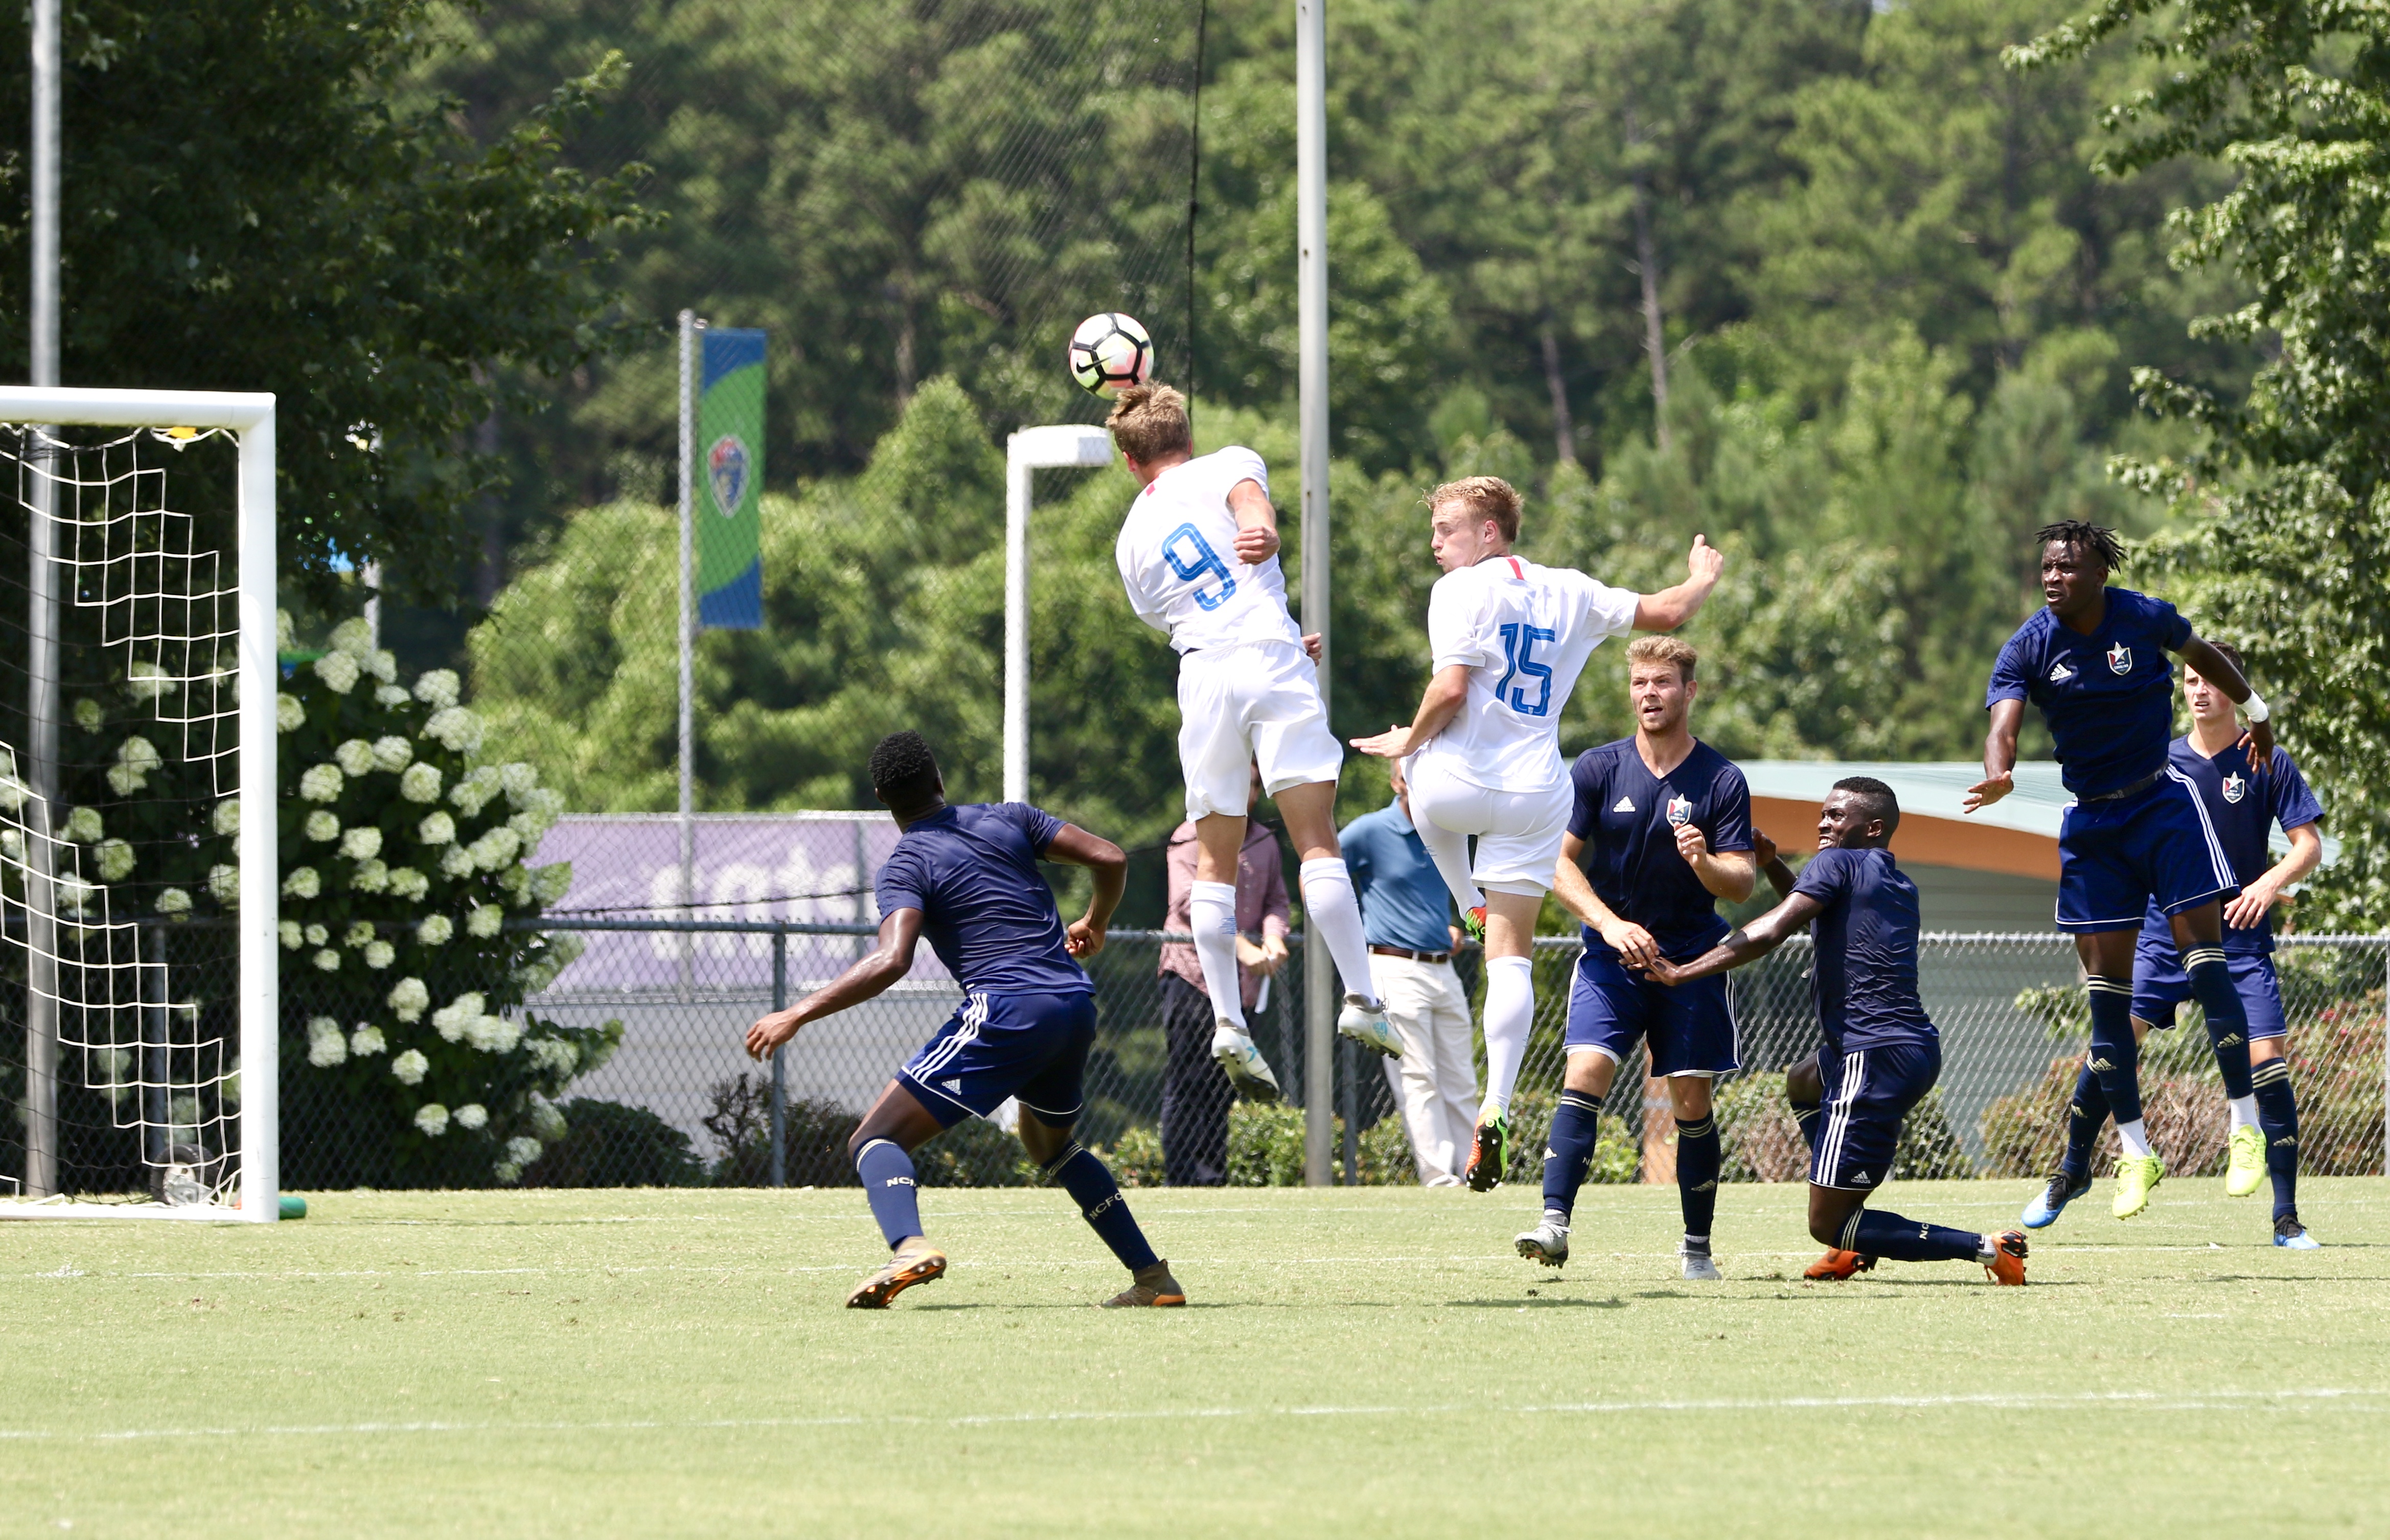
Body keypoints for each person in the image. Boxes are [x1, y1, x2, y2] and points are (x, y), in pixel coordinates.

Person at [1350, 475, 1722, 1192]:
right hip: (1536, 793)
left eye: (1448, 529)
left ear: (1490, 532)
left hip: (1460, 786)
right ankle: (1496, 1105)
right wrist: (1700, 577)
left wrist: (1407, 741)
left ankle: (1465, 894)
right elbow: (1669, 611)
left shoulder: (1458, 592)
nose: (1436, 543)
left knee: (1415, 761)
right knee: (1510, 957)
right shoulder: (1572, 589)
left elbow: (1451, 690)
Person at [743, 731, 1182, 1309]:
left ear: (881, 796)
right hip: (1074, 1003)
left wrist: (797, 1011)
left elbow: (891, 959)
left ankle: (907, 1246)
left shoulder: (906, 863)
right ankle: (1152, 1278)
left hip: (1007, 1008)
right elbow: (1110, 856)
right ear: (940, 780)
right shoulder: (1010, 819)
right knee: (1048, 1143)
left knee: (874, 1138)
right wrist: (1095, 921)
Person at [1588, 779, 2029, 1285]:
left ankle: (1990, 1249)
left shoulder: (1833, 865)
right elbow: (1815, 914)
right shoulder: (1892, 882)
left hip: (1871, 1056)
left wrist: (1681, 971)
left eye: (1837, 816)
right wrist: (1773, 864)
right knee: (1802, 1080)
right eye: (1822, 815)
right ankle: (1853, 1233)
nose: (1824, 823)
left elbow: (1773, 929)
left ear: (1873, 827)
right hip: (1906, 1050)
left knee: (1827, 1223)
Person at [1966, 521, 2276, 1222]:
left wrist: (2257, 712)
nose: (2054, 578)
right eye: (2046, 566)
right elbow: (2003, 725)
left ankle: (2244, 1125)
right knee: (2107, 1002)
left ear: (2098, 574)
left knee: (2206, 967)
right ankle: (2135, 1151)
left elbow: (2207, 655)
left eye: (2068, 568)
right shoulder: (2029, 644)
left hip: (2162, 807)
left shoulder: (2142, 616)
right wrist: (1999, 773)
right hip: (2093, 827)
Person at [1106, 382, 1400, 1100]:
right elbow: (1251, 509)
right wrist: (1263, 535)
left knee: (1214, 858)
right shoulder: (1228, 462)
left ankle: (1230, 1024)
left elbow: (1181, 616)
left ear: (1128, 461)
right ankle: (1363, 1001)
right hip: (1269, 658)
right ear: (1186, 435)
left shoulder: (1129, 542)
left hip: (1204, 675)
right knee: (1316, 841)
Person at [2024, 644, 2325, 1247]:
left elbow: (2306, 844)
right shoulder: (2155, 765)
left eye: (2211, 679)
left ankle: (2285, 1217)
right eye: (2189, 679)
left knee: (2267, 1060)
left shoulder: (2265, 758)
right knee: (2108, 1048)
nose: (2198, 689)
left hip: (2237, 937)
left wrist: (2267, 884)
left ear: (2236, 688)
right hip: (2164, 936)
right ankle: (2070, 1172)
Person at [1546, 634, 1754, 1280]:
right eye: (1639, 683)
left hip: (1689, 962)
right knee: (1585, 1074)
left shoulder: (1720, 779)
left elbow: (1742, 881)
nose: (1649, 694)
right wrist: (1608, 925)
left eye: (1662, 683)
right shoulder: (1596, 768)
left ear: (1689, 691)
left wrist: (1704, 861)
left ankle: (1696, 1249)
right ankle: (1553, 1223)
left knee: (1691, 1102)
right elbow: (1554, 863)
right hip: (1611, 959)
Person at [1339, 757, 1476, 1185]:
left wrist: (1450, 928)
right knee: (1418, 1076)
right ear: (1396, 780)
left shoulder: (1447, 830)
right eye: (1410, 775)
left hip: (1442, 967)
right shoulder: (1368, 831)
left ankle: (1476, 1174)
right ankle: (1438, 1176)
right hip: (1392, 967)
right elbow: (1322, 876)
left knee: (1462, 1077)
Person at [1158, 762, 1292, 1184]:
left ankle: (1212, 1179)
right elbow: (1189, 904)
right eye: (1241, 783)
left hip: (1242, 983)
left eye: (1255, 785)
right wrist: (1244, 948)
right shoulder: (1190, 835)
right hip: (1190, 975)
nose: (1249, 793)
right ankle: (1180, 1180)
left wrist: (1274, 939)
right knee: (1189, 1079)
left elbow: (1277, 902)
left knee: (1223, 1084)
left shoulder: (1265, 841)